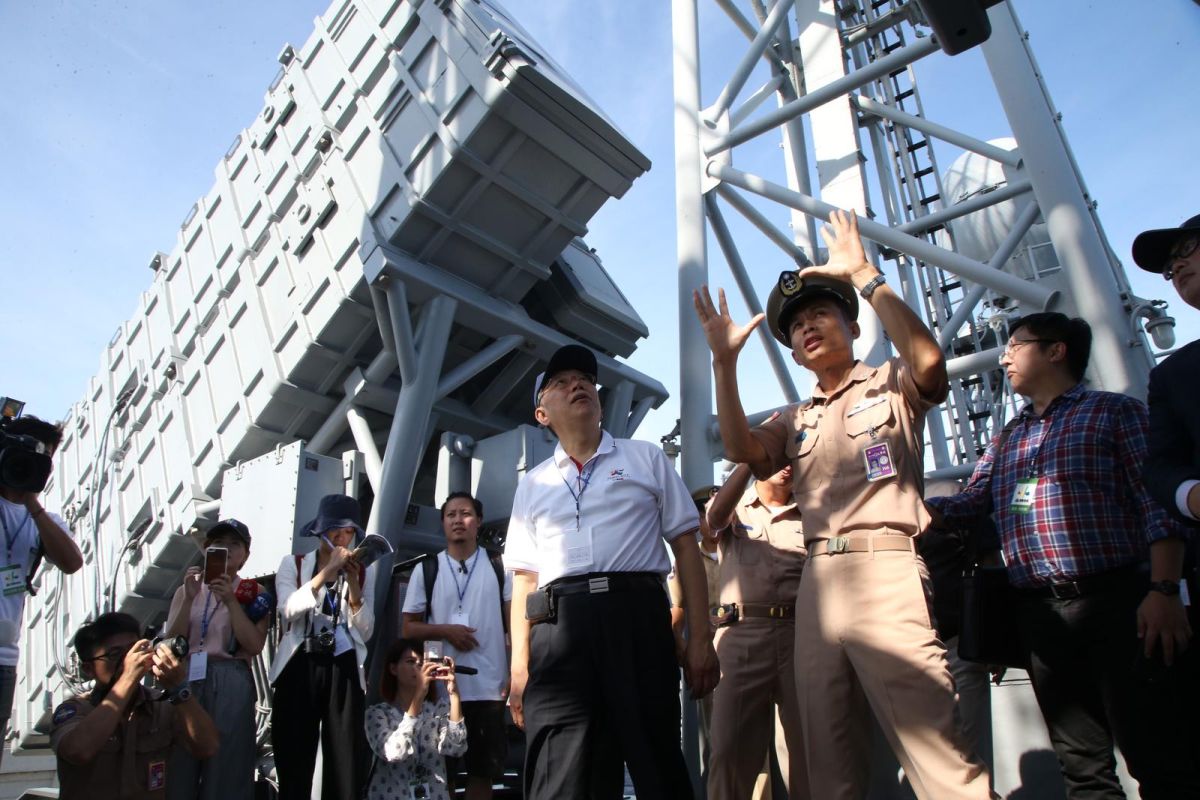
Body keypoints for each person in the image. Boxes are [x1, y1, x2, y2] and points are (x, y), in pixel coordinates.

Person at [694, 209, 990, 799]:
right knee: (827, 766)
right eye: (796, 326)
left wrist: (865, 276)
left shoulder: (890, 382)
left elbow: (931, 367)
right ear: (796, 356)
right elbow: (741, 449)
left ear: (853, 327)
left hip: (887, 571)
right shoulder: (795, 418)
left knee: (938, 756)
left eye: (821, 313)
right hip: (817, 589)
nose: (807, 327)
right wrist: (724, 364)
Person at [927, 311, 1200, 798]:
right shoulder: (1009, 435)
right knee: (1080, 763)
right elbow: (970, 504)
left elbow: (1156, 507)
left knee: (1159, 753)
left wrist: (1163, 590)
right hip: (1040, 614)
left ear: (1056, 351)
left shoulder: (1116, 413)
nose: (1004, 355)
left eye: (1015, 344)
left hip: (1121, 604)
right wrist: (905, 507)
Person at [504, 343, 720, 799]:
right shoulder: (532, 484)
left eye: (583, 379)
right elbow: (524, 577)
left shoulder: (646, 459)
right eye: (560, 383)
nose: (577, 384)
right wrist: (519, 667)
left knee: (657, 763)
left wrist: (699, 639)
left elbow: (686, 546)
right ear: (542, 414)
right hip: (558, 630)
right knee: (560, 778)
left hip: (637, 620)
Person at [705, 462, 807, 800]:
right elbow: (713, 520)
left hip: (801, 635)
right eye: (774, 457)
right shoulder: (734, 504)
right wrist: (751, 458)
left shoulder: (814, 510)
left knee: (806, 752)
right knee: (729, 751)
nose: (785, 466)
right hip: (742, 633)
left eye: (790, 457)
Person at [401, 491, 512, 799]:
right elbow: (408, 626)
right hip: (441, 688)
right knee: (441, 776)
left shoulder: (499, 565)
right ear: (443, 523)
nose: (458, 520)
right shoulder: (427, 569)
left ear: (478, 522)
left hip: (490, 687)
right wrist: (445, 630)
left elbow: (513, 622)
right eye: (451, 515)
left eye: (465, 514)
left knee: (482, 775)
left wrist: (517, 672)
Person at [270, 494, 376, 800]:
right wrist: (327, 572)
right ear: (321, 533)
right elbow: (289, 609)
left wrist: (354, 583)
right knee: (294, 755)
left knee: (344, 759)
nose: (342, 538)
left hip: (342, 663)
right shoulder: (294, 564)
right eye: (335, 532)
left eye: (347, 533)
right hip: (300, 661)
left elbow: (365, 630)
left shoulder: (361, 571)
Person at [50, 612, 219, 799]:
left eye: (133, 650)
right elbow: (78, 751)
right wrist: (128, 677)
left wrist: (179, 689)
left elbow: (207, 747)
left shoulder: (159, 707)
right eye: (115, 654)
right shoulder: (77, 710)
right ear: (89, 669)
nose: (129, 660)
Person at [164, 519, 273, 800]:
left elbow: (253, 644)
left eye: (234, 544)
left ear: (245, 555)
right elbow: (172, 641)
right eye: (217, 543)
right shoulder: (186, 589)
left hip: (230, 674)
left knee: (229, 760)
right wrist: (188, 598)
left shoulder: (253, 592)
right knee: (180, 757)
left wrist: (231, 601)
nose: (225, 548)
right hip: (187, 672)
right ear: (206, 548)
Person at [0, 413, 83, 762]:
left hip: (3, 657)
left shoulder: (43, 519)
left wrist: (32, 502)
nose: (37, 464)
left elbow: (71, 561)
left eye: (44, 459)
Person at [1133, 214, 1200, 523]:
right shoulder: (1172, 376)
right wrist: (1191, 495)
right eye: (1170, 267)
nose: (1177, 268)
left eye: (1187, 248)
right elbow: (1161, 467)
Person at [364, 639, 468, 800]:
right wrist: (419, 695)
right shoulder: (378, 714)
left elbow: (456, 747)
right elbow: (394, 752)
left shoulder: (437, 710)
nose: (419, 667)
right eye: (411, 661)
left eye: (422, 662)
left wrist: (454, 695)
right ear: (393, 668)